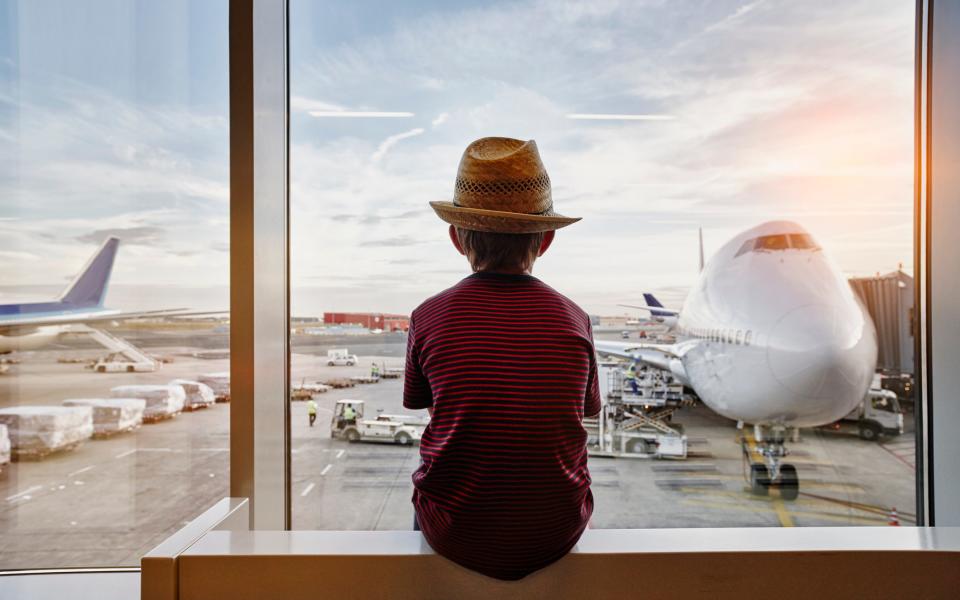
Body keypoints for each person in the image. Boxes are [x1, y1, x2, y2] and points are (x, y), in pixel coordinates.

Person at [403, 137, 601, 581]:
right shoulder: (576, 319)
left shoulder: (427, 315)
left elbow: (441, 414)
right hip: (557, 529)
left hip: (453, 531)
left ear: (456, 238)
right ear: (546, 240)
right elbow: (580, 414)